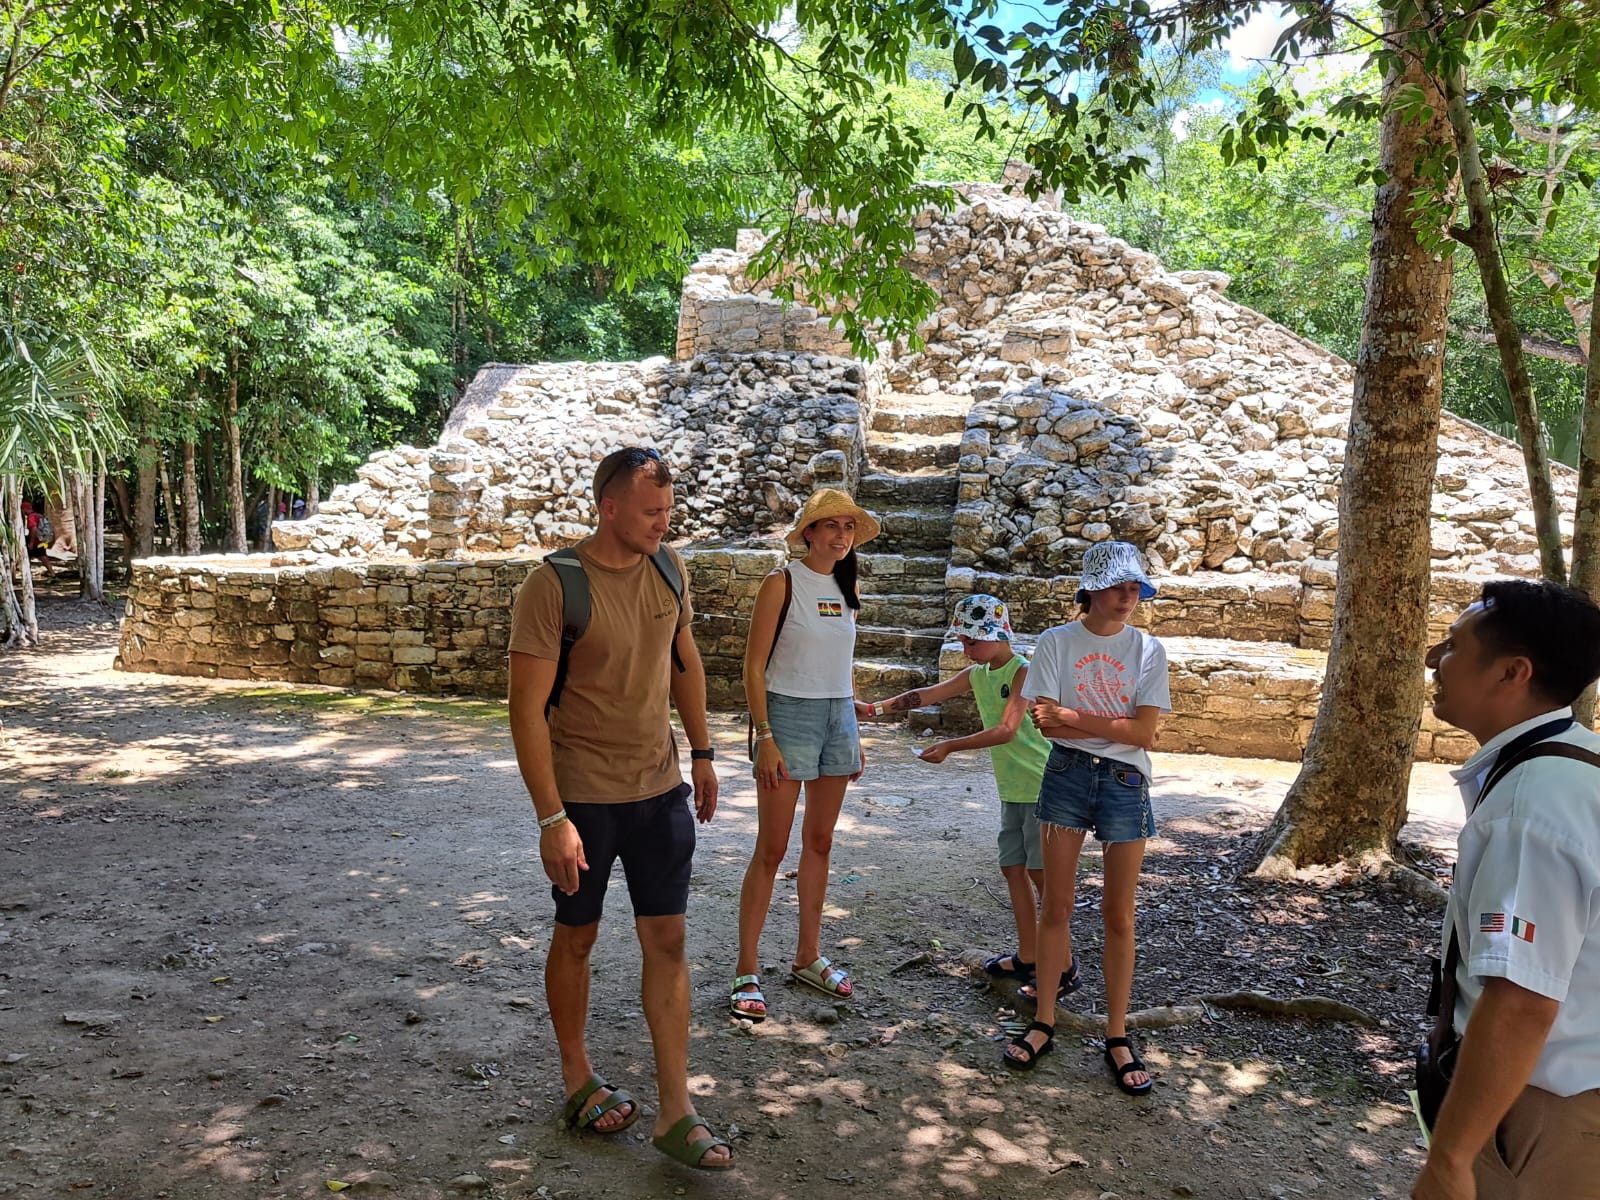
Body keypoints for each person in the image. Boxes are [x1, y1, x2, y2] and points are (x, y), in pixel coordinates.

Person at [506, 446, 731, 1170]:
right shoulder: (554, 586)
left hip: (659, 788)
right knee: (578, 937)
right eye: (651, 512)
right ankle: (578, 1079)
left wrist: (702, 753)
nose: (665, 523)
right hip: (585, 799)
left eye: (669, 510)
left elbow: (684, 662)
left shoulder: (669, 567)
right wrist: (551, 818)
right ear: (608, 509)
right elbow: (525, 711)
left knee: (668, 942)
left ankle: (677, 1110)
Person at [1412, 580, 1600, 1200]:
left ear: (1512, 672)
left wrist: (1452, 1160)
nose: (1434, 660)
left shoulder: (1530, 806)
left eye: (1455, 646)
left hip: (1540, 1118)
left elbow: (1521, 1001)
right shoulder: (1578, 764)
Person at [1003, 540, 1169, 1095]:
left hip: (1126, 783)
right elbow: (1043, 726)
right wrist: (1104, 726)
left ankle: (1118, 1034)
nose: (1128, 597)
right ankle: (1044, 1018)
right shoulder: (1056, 642)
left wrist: (1075, 716)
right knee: (1058, 904)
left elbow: (1144, 733)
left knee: (1119, 913)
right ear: (1091, 589)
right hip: (1068, 776)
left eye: (1134, 588)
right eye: (1119, 586)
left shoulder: (1148, 649)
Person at [730, 488, 876, 1021]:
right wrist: (764, 736)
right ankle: (747, 966)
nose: (841, 535)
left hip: (837, 717)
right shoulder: (782, 582)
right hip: (786, 718)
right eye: (830, 525)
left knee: (820, 841)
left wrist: (853, 729)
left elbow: (841, 660)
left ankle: (807, 955)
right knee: (771, 848)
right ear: (807, 533)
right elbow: (753, 667)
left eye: (848, 527)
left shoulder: (848, 584)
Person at [872, 593, 1064, 997]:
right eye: (962, 641)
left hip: (1042, 785)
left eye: (971, 641)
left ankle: (1061, 964)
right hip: (1013, 789)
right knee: (1013, 868)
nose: (965, 649)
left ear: (997, 635)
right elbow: (926, 695)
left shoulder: (1024, 671)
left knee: (1043, 876)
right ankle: (1029, 955)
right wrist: (871, 710)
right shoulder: (979, 674)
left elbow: (1006, 729)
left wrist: (950, 746)